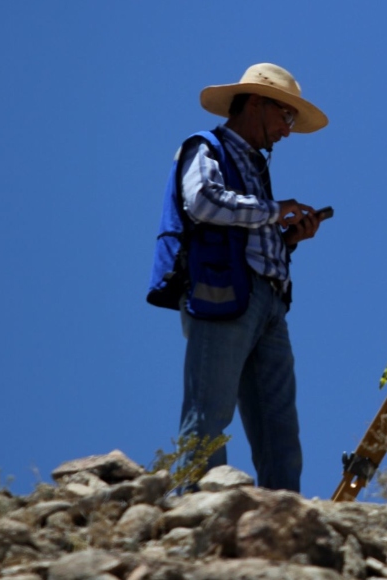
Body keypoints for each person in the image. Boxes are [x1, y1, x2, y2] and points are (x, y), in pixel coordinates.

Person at [146, 63, 328, 491]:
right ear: (258, 103)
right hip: (221, 292)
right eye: (285, 116)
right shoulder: (205, 147)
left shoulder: (253, 167)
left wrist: (287, 240)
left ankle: (285, 521)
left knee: (280, 432)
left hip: (265, 301)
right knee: (207, 413)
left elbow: (239, 230)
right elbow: (204, 202)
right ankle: (195, 508)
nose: (287, 130)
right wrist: (274, 211)